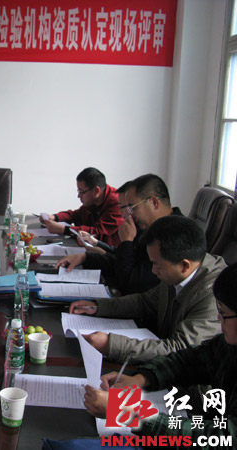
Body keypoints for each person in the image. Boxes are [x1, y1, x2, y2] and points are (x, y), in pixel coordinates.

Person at [83, 263, 237, 446]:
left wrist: (128, 413)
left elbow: (220, 438)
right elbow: (190, 361)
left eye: (224, 313)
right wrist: (142, 379)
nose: (218, 318)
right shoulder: (228, 345)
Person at [69, 215, 225, 363]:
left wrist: (111, 345)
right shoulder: (178, 271)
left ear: (184, 265)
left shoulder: (214, 295)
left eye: (157, 265)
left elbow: (180, 349)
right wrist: (98, 307)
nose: (153, 271)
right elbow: (146, 302)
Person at [58, 174, 182, 295]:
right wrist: (85, 258)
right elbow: (120, 262)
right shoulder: (148, 227)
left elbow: (130, 285)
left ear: (154, 202)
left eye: (132, 207)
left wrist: (127, 242)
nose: (128, 215)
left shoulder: (175, 236)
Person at [40, 167, 124, 246]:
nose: (78, 196)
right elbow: (76, 215)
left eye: (81, 192)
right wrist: (54, 217)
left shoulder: (118, 203)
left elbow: (98, 232)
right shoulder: (94, 200)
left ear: (96, 191)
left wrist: (64, 230)